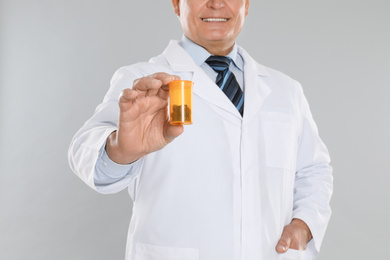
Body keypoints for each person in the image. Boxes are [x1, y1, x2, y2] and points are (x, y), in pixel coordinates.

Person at [68, 0, 333, 259]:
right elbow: (86, 155)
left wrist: (305, 223)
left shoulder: (286, 90)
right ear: (176, 4)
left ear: (246, 5)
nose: (216, 4)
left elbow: (314, 168)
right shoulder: (140, 80)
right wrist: (121, 150)